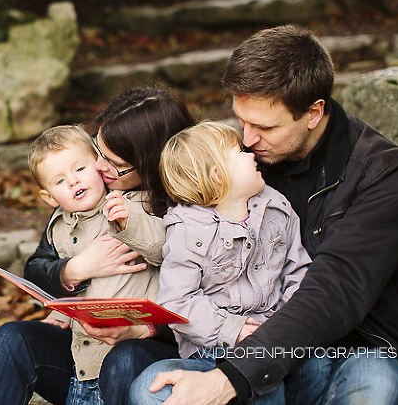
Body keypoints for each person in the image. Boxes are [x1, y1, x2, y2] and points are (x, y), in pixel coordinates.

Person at [135, 25, 398, 405]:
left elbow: (335, 290)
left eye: (264, 127)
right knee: (150, 388)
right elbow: (201, 260)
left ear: (313, 113)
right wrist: (152, 326)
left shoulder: (383, 173)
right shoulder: (243, 164)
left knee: (374, 394)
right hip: (255, 344)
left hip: (361, 347)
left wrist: (234, 377)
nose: (248, 140)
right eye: (242, 121)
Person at [0, 87, 196, 405]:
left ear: (146, 163)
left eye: (111, 162)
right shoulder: (73, 212)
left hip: (150, 354)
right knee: (9, 338)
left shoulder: (161, 206)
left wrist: (144, 329)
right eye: (98, 153)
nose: (98, 168)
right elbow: (37, 268)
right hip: (84, 354)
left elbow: (178, 265)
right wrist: (73, 271)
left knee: (125, 357)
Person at [130, 121, 313, 405]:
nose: (251, 153)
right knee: (147, 387)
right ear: (218, 175)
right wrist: (232, 329)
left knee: (287, 376)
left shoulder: (276, 206)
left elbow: (297, 271)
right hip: (211, 350)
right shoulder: (188, 230)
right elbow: (177, 301)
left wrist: (284, 329)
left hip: (272, 343)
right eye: (240, 151)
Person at [21, 124, 166, 404]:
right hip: (84, 359)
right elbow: (55, 279)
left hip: (138, 347)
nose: (73, 181)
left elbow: (164, 247)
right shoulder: (59, 226)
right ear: (49, 197)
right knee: (8, 337)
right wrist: (63, 311)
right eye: (60, 181)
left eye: (79, 169)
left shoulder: (133, 202)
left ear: (100, 166)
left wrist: (130, 221)